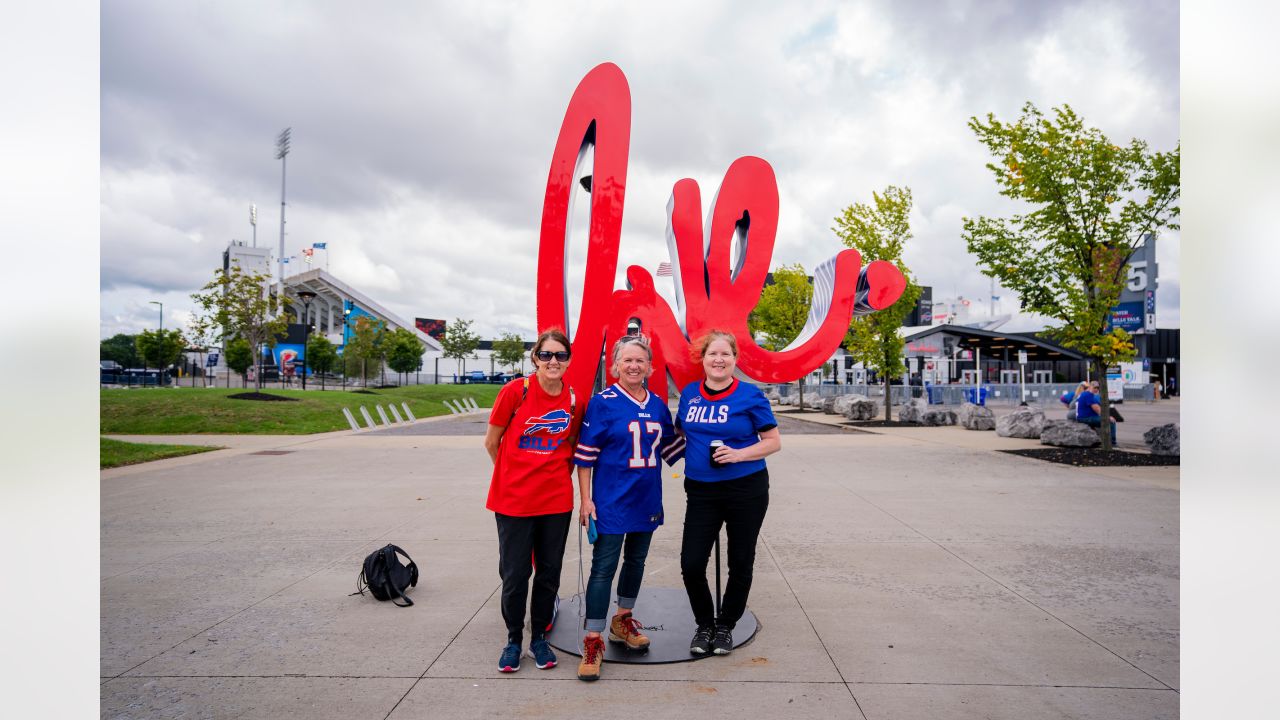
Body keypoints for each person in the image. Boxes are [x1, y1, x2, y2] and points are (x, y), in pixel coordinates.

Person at [572, 335, 684, 681]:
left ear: (650, 367)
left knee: (637, 561)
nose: (634, 366)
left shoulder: (658, 405)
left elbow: (673, 449)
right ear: (615, 365)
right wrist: (586, 499)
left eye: (640, 361)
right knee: (603, 567)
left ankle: (623, 621)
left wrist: (722, 445)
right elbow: (586, 458)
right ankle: (593, 638)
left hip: (646, 498)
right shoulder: (602, 402)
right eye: (627, 360)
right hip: (610, 499)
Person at [483, 329, 585, 673]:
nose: (553, 361)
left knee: (548, 574)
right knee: (515, 574)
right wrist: (513, 473)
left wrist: (553, 476)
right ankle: (514, 639)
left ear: (568, 360)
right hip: (513, 500)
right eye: (546, 355)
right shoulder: (515, 391)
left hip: (556, 501)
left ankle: (539, 636)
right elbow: (491, 441)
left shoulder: (573, 399)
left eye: (560, 355)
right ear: (535, 359)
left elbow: (569, 447)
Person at [676, 330, 781, 656]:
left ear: (734, 359)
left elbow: (773, 442)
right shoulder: (690, 393)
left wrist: (738, 454)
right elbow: (681, 432)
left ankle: (726, 625)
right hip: (702, 491)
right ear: (703, 359)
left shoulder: (750, 396)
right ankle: (704, 623)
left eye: (725, 354)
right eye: (712, 354)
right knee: (691, 563)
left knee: (740, 560)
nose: (719, 360)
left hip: (744, 489)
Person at [1075, 380, 1117, 445]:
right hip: (1085, 418)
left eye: (1098, 388)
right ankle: (1112, 443)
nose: (1096, 389)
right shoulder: (1088, 395)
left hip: (1084, 417)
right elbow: (1096, 408)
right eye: (1095, 387)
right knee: (1110, 422)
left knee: (1104, 420)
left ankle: (1102, 440)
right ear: (1090, 387)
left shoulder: (1085, 394)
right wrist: (1107, 417)